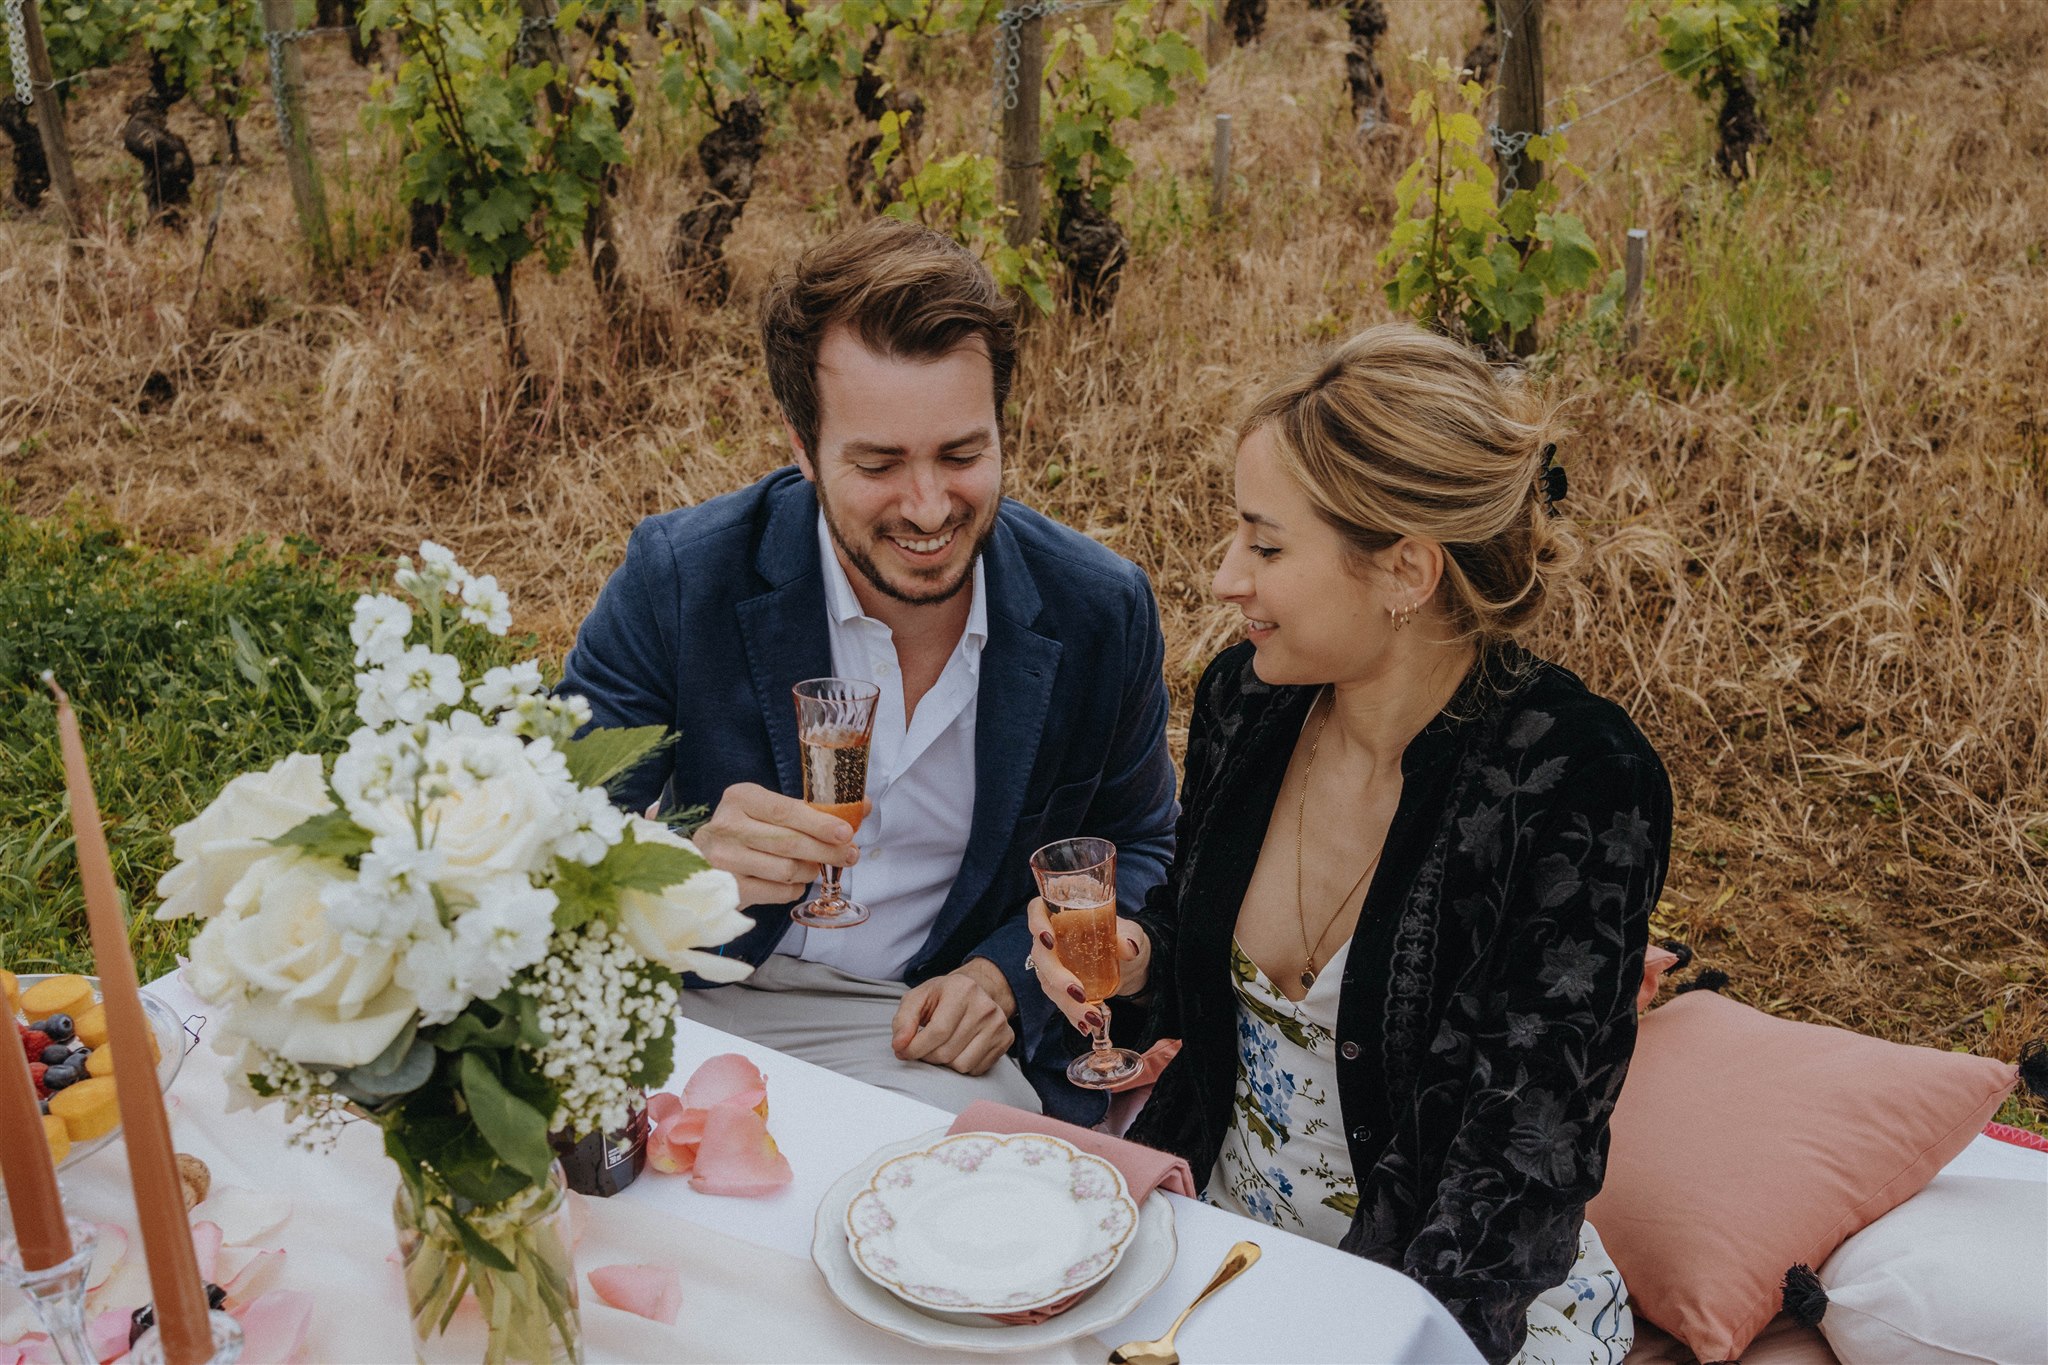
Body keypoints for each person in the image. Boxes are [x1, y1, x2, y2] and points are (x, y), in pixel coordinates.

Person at [1026, 324, 1670, 1363]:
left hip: (1440, 1303)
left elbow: (1523, 1163)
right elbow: (1199, 957)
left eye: (1265, 545)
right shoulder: (1246, 698)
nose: (1226, 575)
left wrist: (1367, 1338)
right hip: (1220, 1243)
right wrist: (1131, 959)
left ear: (1405, 572)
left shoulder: (1576, 779)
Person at [558, 218, 1177, 1122]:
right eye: (879, 464)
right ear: (802, 447)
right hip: (686, 994)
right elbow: (546, 830)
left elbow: (1148, 850)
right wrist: (677, 868)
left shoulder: (1099, 608)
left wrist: (1003, 974)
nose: (929, 508)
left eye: (963, 455)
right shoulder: (682, 576)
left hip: (903, 1031)